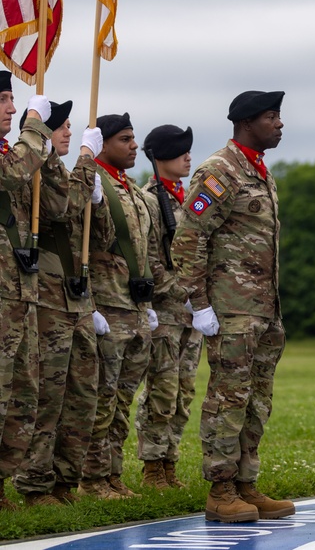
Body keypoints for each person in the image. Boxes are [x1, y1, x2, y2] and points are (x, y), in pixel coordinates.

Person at [171, 91, 294, 524]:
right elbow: (189, 239)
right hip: (230, 310)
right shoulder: (220, 171)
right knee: (228, 399)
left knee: (256, 400)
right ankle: (220, 489)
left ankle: (246, 483)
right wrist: (199, 304)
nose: (279, 124)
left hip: (262, 310)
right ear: (245, 123)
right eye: (271, 117)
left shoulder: (258, 172)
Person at [13, 102, 114, 506]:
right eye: (63, 127)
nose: (71, 135)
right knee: (46, 398)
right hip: (49, 298)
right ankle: (36, 483)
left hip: (78, 298)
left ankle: (64, 480)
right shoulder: (37, 172)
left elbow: (101, 241)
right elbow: (60, 207)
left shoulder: (65, 173)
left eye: (73, 128)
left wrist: (99, 199)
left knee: (82, 396)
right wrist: (88, 162)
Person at [80, 112, 160, 500]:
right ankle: (92, 479)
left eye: (134, 139)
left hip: (136, 308)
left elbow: (145, 249)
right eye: (124, 139)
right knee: (101, 399)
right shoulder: (92, 184)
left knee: (122, 401)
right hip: (107, 306)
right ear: (104, 144)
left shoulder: (134, 192)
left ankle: (112, 475)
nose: (133, 146)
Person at [0, 74, 65, 510]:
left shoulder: (15, 151)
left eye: (11, 98)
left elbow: (57, 208)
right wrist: (36, 126)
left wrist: (58, 157)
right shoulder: (14, 156)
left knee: (23, 394)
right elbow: (11, 177)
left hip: (21, 292)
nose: (11, 106)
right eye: (4, 99)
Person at [136, 124, 199, 490]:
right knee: (162, 389)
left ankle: (170, 462)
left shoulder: (187, 197)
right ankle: (152, 466)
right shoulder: (149, 199)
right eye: (180, 151)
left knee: (184, 391)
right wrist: (182, 290)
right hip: (166, 310)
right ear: (160, 157)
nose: (187, 156)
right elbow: (150, 258)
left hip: (192, 311)